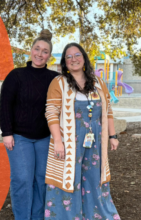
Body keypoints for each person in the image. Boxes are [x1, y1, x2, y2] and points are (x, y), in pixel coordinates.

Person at [44, 43, 120, 220]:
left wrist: (112, 135)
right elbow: (51, 112)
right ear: (65, 62)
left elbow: (107, 110)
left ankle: (95, 215)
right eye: (69, 57)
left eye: (77, 55)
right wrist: (57, 141)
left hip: (95, 141)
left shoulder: (98, 82)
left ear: (84, 58)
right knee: (69, 177)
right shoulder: (59, 83)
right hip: (69, 141)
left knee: (94, 176)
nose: (73, 59)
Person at [0, 29, 59, 220]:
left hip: (44, 138)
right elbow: (5, 105)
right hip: (19, 137)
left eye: (45, 51)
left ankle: (38, 217)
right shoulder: (16, 76)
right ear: (31, 50)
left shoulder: (54, 79)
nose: (40, 54)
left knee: (41, 181)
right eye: (37, 49)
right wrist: (6, 132)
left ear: (49, 55)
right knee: (22, 180)